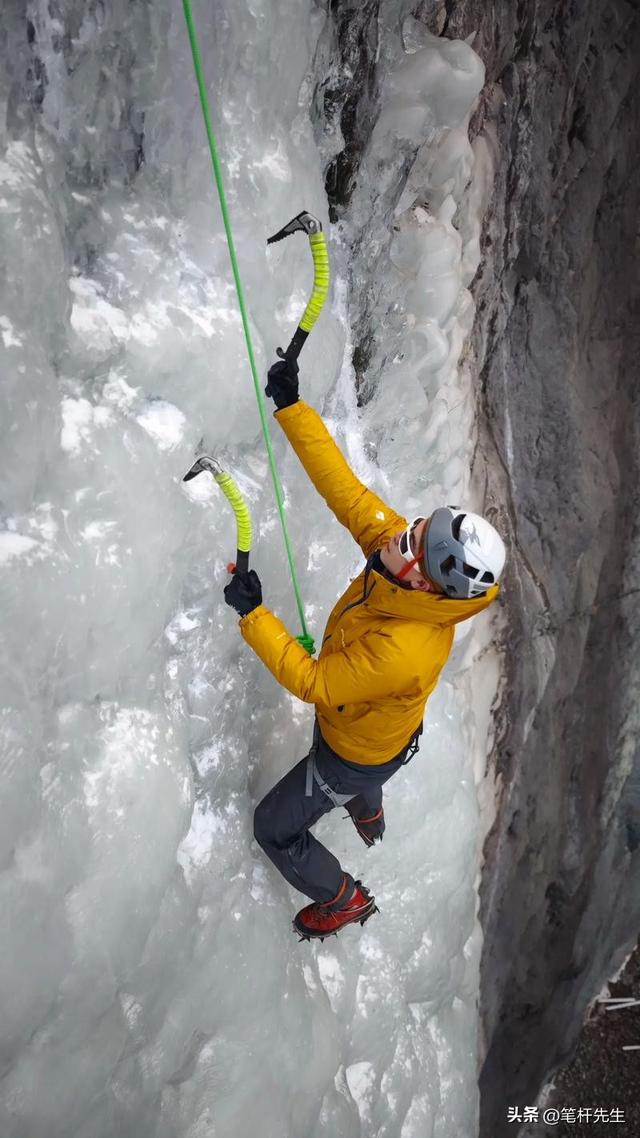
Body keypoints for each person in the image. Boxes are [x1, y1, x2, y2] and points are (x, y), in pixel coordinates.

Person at [224, 358, 506, 941]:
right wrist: (292, 409)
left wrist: (253, 615)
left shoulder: (404, 648)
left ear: (432, 582)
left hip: (351, 755)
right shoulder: (409, 560)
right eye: (421, 527)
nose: (404, 535)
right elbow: (345, 491)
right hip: (383, 736)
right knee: (363, 749)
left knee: (273, 828)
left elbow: (316, 684)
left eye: (418, 544)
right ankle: (368, 811)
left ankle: (343, 899)